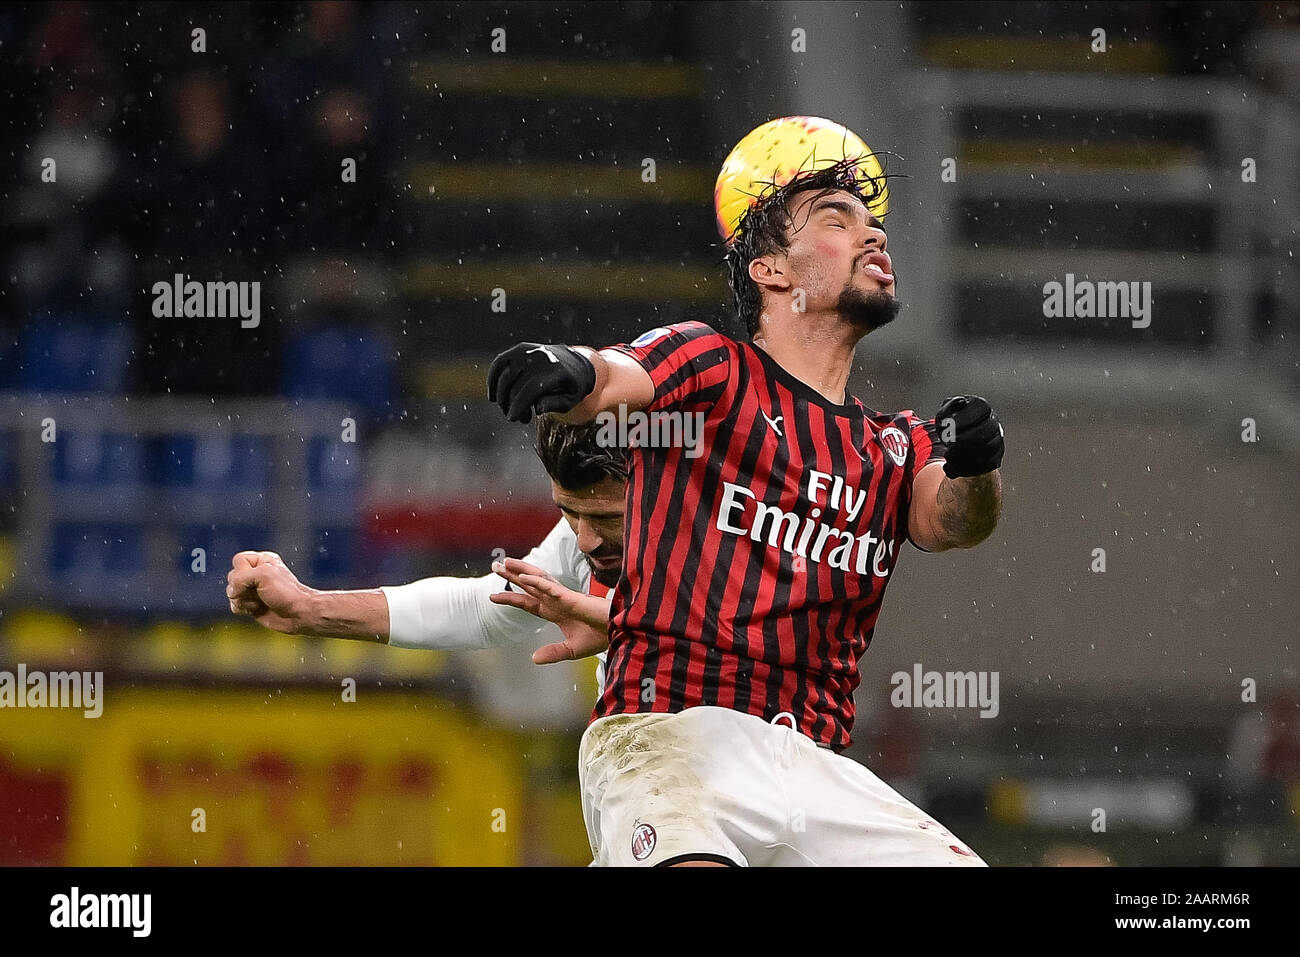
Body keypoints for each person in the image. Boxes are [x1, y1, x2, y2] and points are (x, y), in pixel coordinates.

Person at [488, 116, 1005, 866]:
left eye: (874, 223)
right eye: (838, 218)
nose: (874, 236)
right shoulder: (712, 368)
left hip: (820, 766)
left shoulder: (896, 444)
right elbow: (618, 378)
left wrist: (977, 462)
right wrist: (570, 370)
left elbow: (958, 520)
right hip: (670, 735)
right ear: (770, 268)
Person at [225, 418, 623, 675]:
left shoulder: (686, 531)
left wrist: (624, 624)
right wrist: (307, 608)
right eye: (569, 513)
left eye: (608, 518)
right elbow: (482, 608)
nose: (583, 539)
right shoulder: (586, 532)